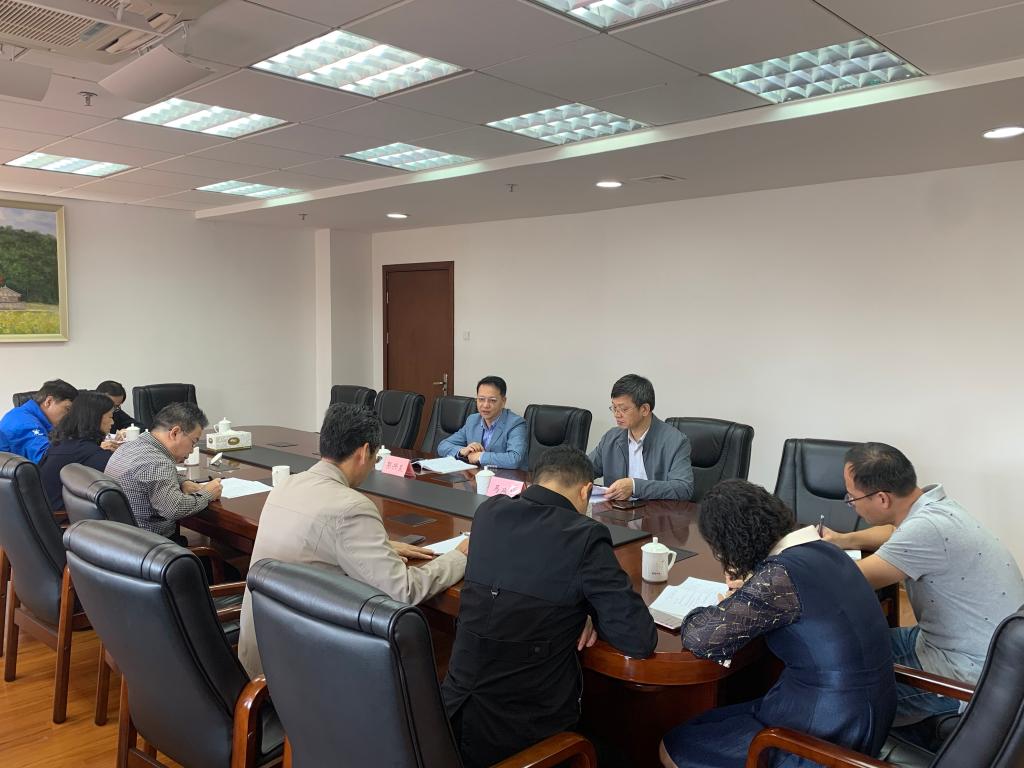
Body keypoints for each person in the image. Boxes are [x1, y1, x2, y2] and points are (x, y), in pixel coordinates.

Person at [442, 446, 657, 768]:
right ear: (586, 491)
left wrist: (579, 606)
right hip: (525, 738)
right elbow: (638, 639)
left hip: (450, 722)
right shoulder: (585, 536)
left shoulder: (488, 513)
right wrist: (589, 608)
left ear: (534, 481)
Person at [660, 480, 895, 768]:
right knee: (712, 717)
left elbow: (701, 637)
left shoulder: (779, 576)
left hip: (828, 731)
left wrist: (721, 604)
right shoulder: (824, 549)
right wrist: (752, 588)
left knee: (674, 746)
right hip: (870, 711)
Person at [238, 403, 469, 678]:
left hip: (261, 652)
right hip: (305, 668)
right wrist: (460, 556)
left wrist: (381, 547)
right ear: (363, 452)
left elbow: (314, 543)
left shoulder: (287, 484)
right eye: (375, 457)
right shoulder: (351, 507)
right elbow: (403, 591)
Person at [825, 442, 1024, 746]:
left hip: (968, 674)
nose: (850, 502)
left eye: (851, 497)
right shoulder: (935, 506)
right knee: (845, 649)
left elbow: (844, 582)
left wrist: (794, 559)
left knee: (838, 700)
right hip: (967, 648)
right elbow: (894, 532)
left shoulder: (926, 531)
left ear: (882, 498)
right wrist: (842, 540)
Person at [105, 402, 222, 539]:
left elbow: (150, 477)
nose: (192, 450)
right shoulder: (157, 462)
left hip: (120, 538)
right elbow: (175, 509)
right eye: (193, 442)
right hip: (151, 544)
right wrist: (207, 493)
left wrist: (183, 482)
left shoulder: (131, 445)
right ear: (175, 433)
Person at [588, 374, 694, 501]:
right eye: (614, 408)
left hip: (656, 512)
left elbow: (683, 489)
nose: (616, 414)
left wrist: (634, 487)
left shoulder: (676, 441)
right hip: (616, 511)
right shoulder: (611, 438)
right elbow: (583, 470)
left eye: (623, 409)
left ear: (644, 409)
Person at [38, 391, 119, 511]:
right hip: (63, 516)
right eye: (110, 417)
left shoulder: (63, 444)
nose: (112, 422)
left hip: (48, 509)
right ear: (95, 418)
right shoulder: (91, 453)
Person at [437, 376, 528, 469]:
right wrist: (462, 451)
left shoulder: (516, 424)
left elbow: (515, 459)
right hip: (475, 475)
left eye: (492, 400)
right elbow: (443, 446)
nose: (485, 405)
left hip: (505, 477)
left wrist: (480, 456)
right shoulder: (473, 420)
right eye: (481, 399)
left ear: (503, 401)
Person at [0, 379, 78, 463]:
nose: (70, 417)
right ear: (48, 402)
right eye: (67, 409)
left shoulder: (27, 415)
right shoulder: (25, 422)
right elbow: (49, 459)